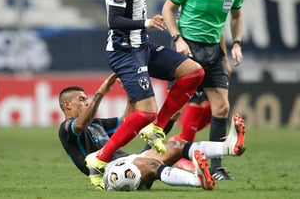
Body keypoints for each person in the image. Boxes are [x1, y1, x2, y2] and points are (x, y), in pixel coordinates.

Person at [85, 0, 205, 189]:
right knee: (145, 112)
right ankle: (99, 159)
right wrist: (147, 22)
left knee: (193, 72)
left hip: (142, 45)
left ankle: (157, 129)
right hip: (125, 50)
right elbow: (114, 20)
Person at [57, 73, 246, 191]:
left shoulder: (97, 123)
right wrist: (101, 92)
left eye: (86, 99)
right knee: (151, 165)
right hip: (108, 175)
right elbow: (80, 125)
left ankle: (228, 147)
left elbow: (127, 122)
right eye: (82, 99)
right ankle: (197, 181)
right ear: (67, 105)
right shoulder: (66, 129)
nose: (87, 102)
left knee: (175, 145)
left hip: (127, 160)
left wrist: (131, 94)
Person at [162, 0, 244, 180]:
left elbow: (236, 17)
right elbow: (167, 9)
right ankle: (149, 149)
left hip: (213, 51)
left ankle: (216, 167)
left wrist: (236, 44)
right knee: (175, 109)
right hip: (188, 49)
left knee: (222, 107)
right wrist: (177, 38)